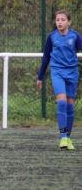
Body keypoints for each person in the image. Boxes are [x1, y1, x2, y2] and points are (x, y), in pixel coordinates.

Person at [37, 10, 82, 150]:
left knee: (70, 106)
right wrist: (40, 76)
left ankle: (68, 138)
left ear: (69, 22)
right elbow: (46, 58)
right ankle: (63, 137)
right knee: (61, 102)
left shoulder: (75, 36)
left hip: (72, 73)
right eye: (57, 20)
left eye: (63, 19)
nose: (60, 22)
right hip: (57, 72)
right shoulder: (52, 37)